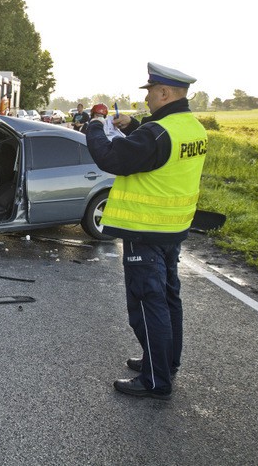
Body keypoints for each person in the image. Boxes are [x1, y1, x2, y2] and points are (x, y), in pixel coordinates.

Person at [86, 62, 206, 400]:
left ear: (165, 93)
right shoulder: (191, 127)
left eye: (151, 92)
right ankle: (166, 362)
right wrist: (135, 125)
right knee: (168, 298)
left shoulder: (157, 134)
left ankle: (156, 379)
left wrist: (95, 126)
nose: (149, 97)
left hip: (146, 230)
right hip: (173, 229)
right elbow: (158, 153)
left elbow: (111, 158)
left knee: (147, 302)